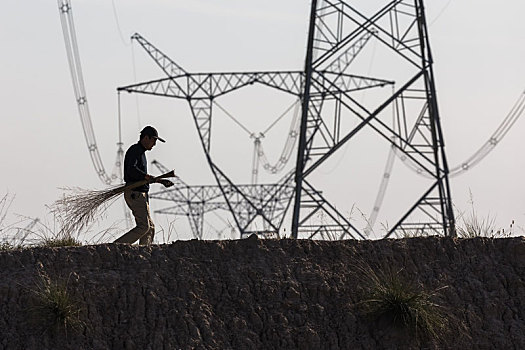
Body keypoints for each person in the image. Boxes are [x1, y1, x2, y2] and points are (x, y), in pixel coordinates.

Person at [114, 126, 171, 245]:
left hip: (141, 195)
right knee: (144, 227)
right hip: (135, 193)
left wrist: (151, 179)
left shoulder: (141, 153)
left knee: (150, 228)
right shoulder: (135, 151)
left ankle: (144, 253)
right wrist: (145, 176)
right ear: (146, 138)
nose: (154, 144)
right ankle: (115, 247)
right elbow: (131, 170)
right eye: (153, 140)